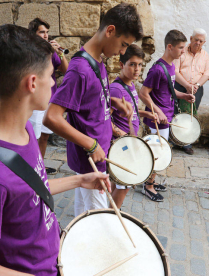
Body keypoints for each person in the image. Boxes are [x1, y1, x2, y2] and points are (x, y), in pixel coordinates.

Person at [0, 24, 111, 276]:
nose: (54, 82)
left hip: (55, 260)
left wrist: (80, 180)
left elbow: (29, 191)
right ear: (32, 82)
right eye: (51, 74)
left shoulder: (24, 129)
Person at [44, 3, 143, 216]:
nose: (122, 52)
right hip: (91, 160)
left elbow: (89, 98)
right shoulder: (80, 69)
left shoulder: (98, 61)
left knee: (87, 216)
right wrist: (91, 144)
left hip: (98, 154)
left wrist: (113, 102)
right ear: (110, 31)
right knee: (96, 221)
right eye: (124, 44)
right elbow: (51, 118)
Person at [139, 30, 195, 202]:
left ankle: (151, 181)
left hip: (167, 116)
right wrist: (158, 111)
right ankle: (148, 186)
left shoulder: (171, 66)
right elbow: (143, 93)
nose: (183, 51)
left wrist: (183, 95)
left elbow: (168, 91)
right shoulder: (157, 70)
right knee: (158, 153)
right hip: (158, 120)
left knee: (160, 151)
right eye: (180, 48)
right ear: (169, 47)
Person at [109, 44, 159, 208]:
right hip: (122, 146)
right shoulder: (116, 89)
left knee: (119, 185)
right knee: (124, 186)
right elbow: (104, 119)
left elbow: (130, 109)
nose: (137, 69)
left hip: (129, 142)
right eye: (132, 64)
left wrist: (145, 114)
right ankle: (112, 216)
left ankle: (110, 211)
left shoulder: (130, 85)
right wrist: (123, 135)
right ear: (121, 65)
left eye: (139, 65)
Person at [27, 18, 69, 175]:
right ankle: (31, 170)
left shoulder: (51, 51)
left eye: (46, 32)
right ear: (34, 34)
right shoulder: (30, 51)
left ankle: (40, 167)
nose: (45, 35)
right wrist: (47, 53)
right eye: (41, 32)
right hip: (36, 101)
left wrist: (60, 54)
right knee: (34, 138)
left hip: (50, 99)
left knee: (44, 136)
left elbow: (66, 70)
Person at [173, 28, 209, 155]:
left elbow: (206, 74)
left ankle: (186, 143)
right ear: (191, 39)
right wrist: (187, 85)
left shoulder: (205, 55)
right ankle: (173, 140)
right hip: (179, 86)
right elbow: (175, 71)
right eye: (196, 40)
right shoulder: (182, 52)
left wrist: (196, 85)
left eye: (201, 41)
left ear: (204, 42)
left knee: (190, 116)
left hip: (196, 89)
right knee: (176, 114)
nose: (198, 43)